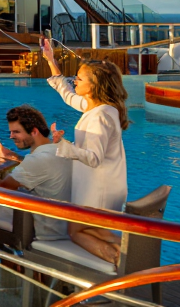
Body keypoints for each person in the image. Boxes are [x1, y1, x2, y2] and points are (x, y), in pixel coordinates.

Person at [41, 41, 129, 263]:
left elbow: (94, 157)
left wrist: (63, 144)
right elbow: (68, 94)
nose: (74, 81)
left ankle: (120, 263)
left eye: (79, 79)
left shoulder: (100, 116)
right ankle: (131, 263)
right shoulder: (100, 107)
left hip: (98, 189)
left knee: (76, 232)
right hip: (102, 186)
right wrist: (51, 61)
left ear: (93, 85)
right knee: (99, 233)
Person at [0, 105, 73, 241]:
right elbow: (41, 169)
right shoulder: (62, 148)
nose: (11, 136)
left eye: (16, 132)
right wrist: (14, 157)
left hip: (41, 227)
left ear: (34, 132)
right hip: (63, 222)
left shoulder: (37, 160)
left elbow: (2, 190)